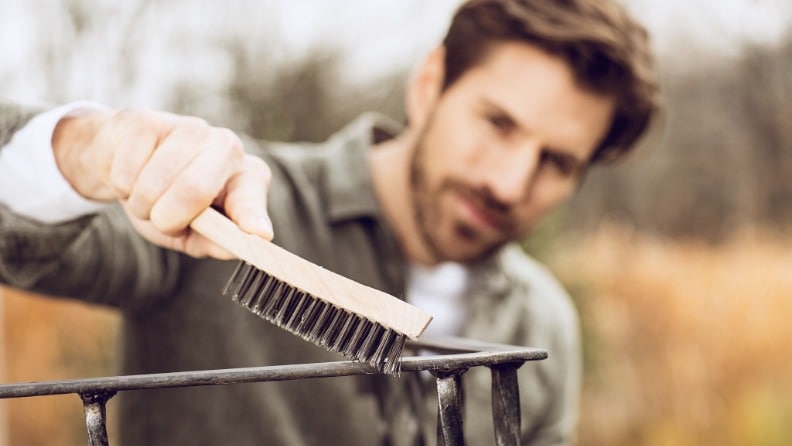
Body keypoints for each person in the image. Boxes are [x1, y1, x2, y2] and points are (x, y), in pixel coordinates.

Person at [0, 0, 659, 444]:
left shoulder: (543, 324)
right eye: (498, 123)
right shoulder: (222, 205)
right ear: (430, 83)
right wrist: (84, 153)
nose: (510, 182)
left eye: (557, 161)